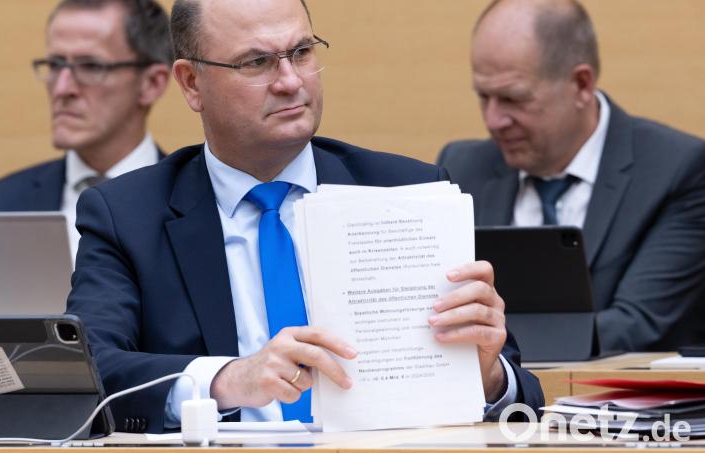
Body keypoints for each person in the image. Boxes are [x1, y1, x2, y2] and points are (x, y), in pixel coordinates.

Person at [67, 0, 543, 433]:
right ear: (192, 83)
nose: (290, 81)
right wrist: (229, 379)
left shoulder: (406, 192)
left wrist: (486, 374)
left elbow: (521, 395)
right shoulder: (127, 217)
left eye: (301, 52)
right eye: (256, 62)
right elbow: (88, 370)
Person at [438, 0, 705, 352]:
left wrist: (496, 343)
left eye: (513, 99)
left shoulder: (677, 169)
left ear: (581, 84)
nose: (493, 120)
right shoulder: (461, 167)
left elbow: (638, 324)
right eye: (484, 97)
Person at [0, 0, 172, 260]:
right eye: (55, 65)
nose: (62, 89)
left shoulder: (202, 203)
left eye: (91, 66)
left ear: (152, 83)